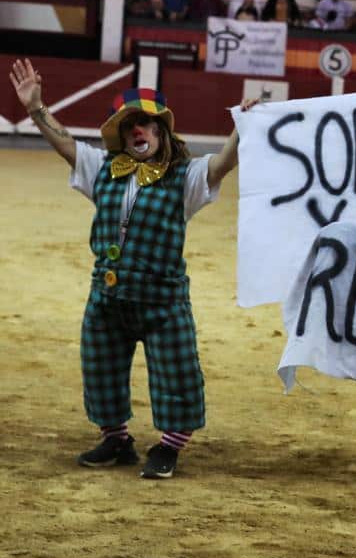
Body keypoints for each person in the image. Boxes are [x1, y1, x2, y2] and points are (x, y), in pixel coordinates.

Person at [7, 59, 259, 479]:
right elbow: (66, 144)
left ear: (161, 133)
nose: (137, 131)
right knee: (99, 365)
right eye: (129, 126)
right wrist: (36, 108)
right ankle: (117, 440)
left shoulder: (186, 177)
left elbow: (222, 165)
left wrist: (241, 132)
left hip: (162, 298)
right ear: (122, 135)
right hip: (107, 295)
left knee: (176, 371)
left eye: (145, 124)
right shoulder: (103, 170)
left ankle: (169, 446)